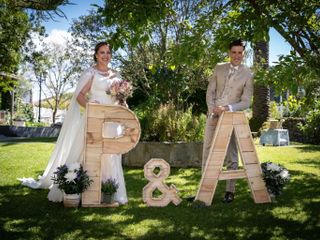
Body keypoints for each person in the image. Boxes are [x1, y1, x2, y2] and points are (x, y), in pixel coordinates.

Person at [19, 42, 128, 204]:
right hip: (94, 118)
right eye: (102, 52)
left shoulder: (116, 76)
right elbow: (80, 95)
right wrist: (91, 108)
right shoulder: (92, 73)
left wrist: (123, 102)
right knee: (87, 152)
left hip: (111, 121)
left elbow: (118, 98)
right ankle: (83, 189)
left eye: (108, 52)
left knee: (110, 154)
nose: (106, 55)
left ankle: (109, 191)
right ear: (96, 55)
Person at [202, 39, 253, 203]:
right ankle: (203, 190)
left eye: (240, 52)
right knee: (207, 152)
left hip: (231, 117)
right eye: (234, 52)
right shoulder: (219, 68)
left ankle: (230, 191)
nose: (237, 55)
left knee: (231, 153)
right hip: (213, 116)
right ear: (229, 53)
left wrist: (227, 108)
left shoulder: (248, 73)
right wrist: (212, 110)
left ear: (243, 53)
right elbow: (210, 92)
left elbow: (246, 102)